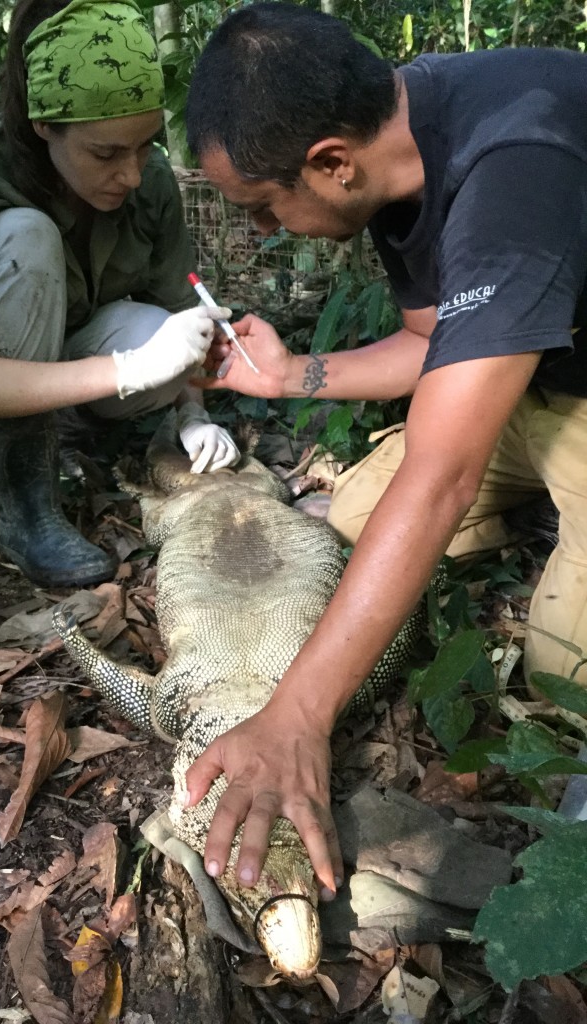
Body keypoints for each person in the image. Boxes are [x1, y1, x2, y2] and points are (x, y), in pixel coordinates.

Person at [181, 2, 587, 903]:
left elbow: (441, 477)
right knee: (358, 523)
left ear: (330, 161)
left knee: (568, 671)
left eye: (263, 206)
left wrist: (296, 716)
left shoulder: (516, 164)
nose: (261, 232)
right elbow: (433, 337)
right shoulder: (397, 145)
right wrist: (294, 376)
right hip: (530, 374)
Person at [0, 0, 239, 594]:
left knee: (174, 331)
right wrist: (133, 369)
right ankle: (26, 513)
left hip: (64, 343)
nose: (133, 174)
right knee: (27, 235)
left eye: (146, 145)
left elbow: (180, 307)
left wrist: (191, 413)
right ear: (45, 127)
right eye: (106, 153)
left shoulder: (150, 183)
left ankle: (67, 421)